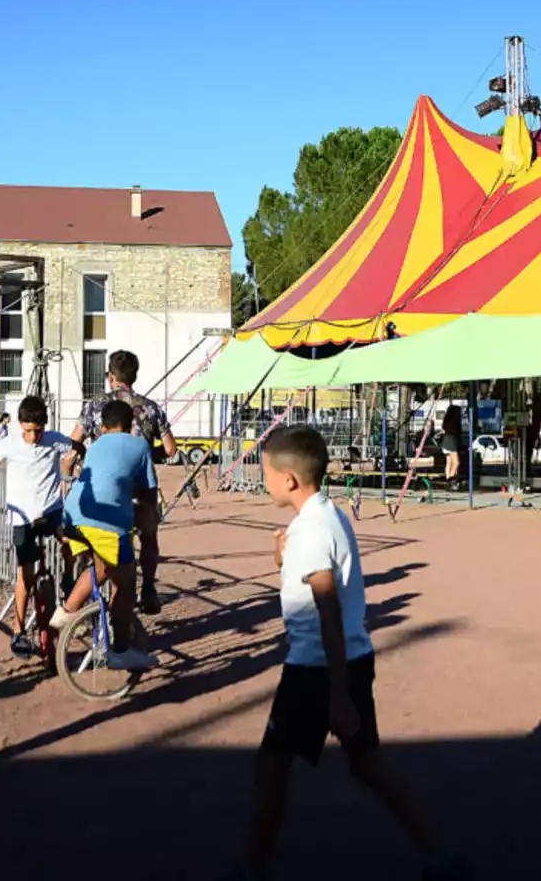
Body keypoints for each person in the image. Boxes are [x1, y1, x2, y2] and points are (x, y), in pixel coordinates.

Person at [228, 425, 466, 881]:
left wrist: (337, 695)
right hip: (348, 660)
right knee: (366, 763)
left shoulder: (311, 532)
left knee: (272, 766)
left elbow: (328, 612)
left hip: (316, 669)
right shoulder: (322, 517)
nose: (264, 482)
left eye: (267, 474)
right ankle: (440, 855)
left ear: (290, 481)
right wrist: (283, 557)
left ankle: (251, 870)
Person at [65, 349, 177, 616]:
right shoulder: (151, 408)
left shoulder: (94, 406)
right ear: (133, 376)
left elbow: (74, 441)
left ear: (111, 376)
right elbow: (171, 449)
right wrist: (147, 454)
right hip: (140, 489)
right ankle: (148, 588)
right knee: (148, 537)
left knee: (99, 549)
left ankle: (81, 595)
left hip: (103, 495)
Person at [55, 399, 161, 671]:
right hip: (106, 522)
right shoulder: (139, 446)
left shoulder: (96, 445)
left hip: (73, 517)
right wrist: (133, 495)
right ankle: (121, 650)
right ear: (131, 426)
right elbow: (149, 494)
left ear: (102, 428)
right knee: (125, 584)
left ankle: (66, 612)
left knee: (102, 568)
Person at [0, 395, 71, 659]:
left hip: (51, 512)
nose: (34, 436)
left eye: (38, 430)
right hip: (22, 518)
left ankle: (69, 582)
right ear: (20, 426)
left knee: (71, 543)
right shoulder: (10, 444)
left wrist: (79, 468)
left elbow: (76, 447)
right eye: (28, 431)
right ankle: (19, 628)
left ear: (46, 426)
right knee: (26, 575)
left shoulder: (55, 439)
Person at [439, 404, 463, 485]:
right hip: (451, 441)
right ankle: (451, 480)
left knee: (449, 462)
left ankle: (448, 477)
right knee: (456, 463)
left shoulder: (447, 420)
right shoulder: (455, 422)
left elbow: (444, 428)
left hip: (445, 440)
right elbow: (458, 432)